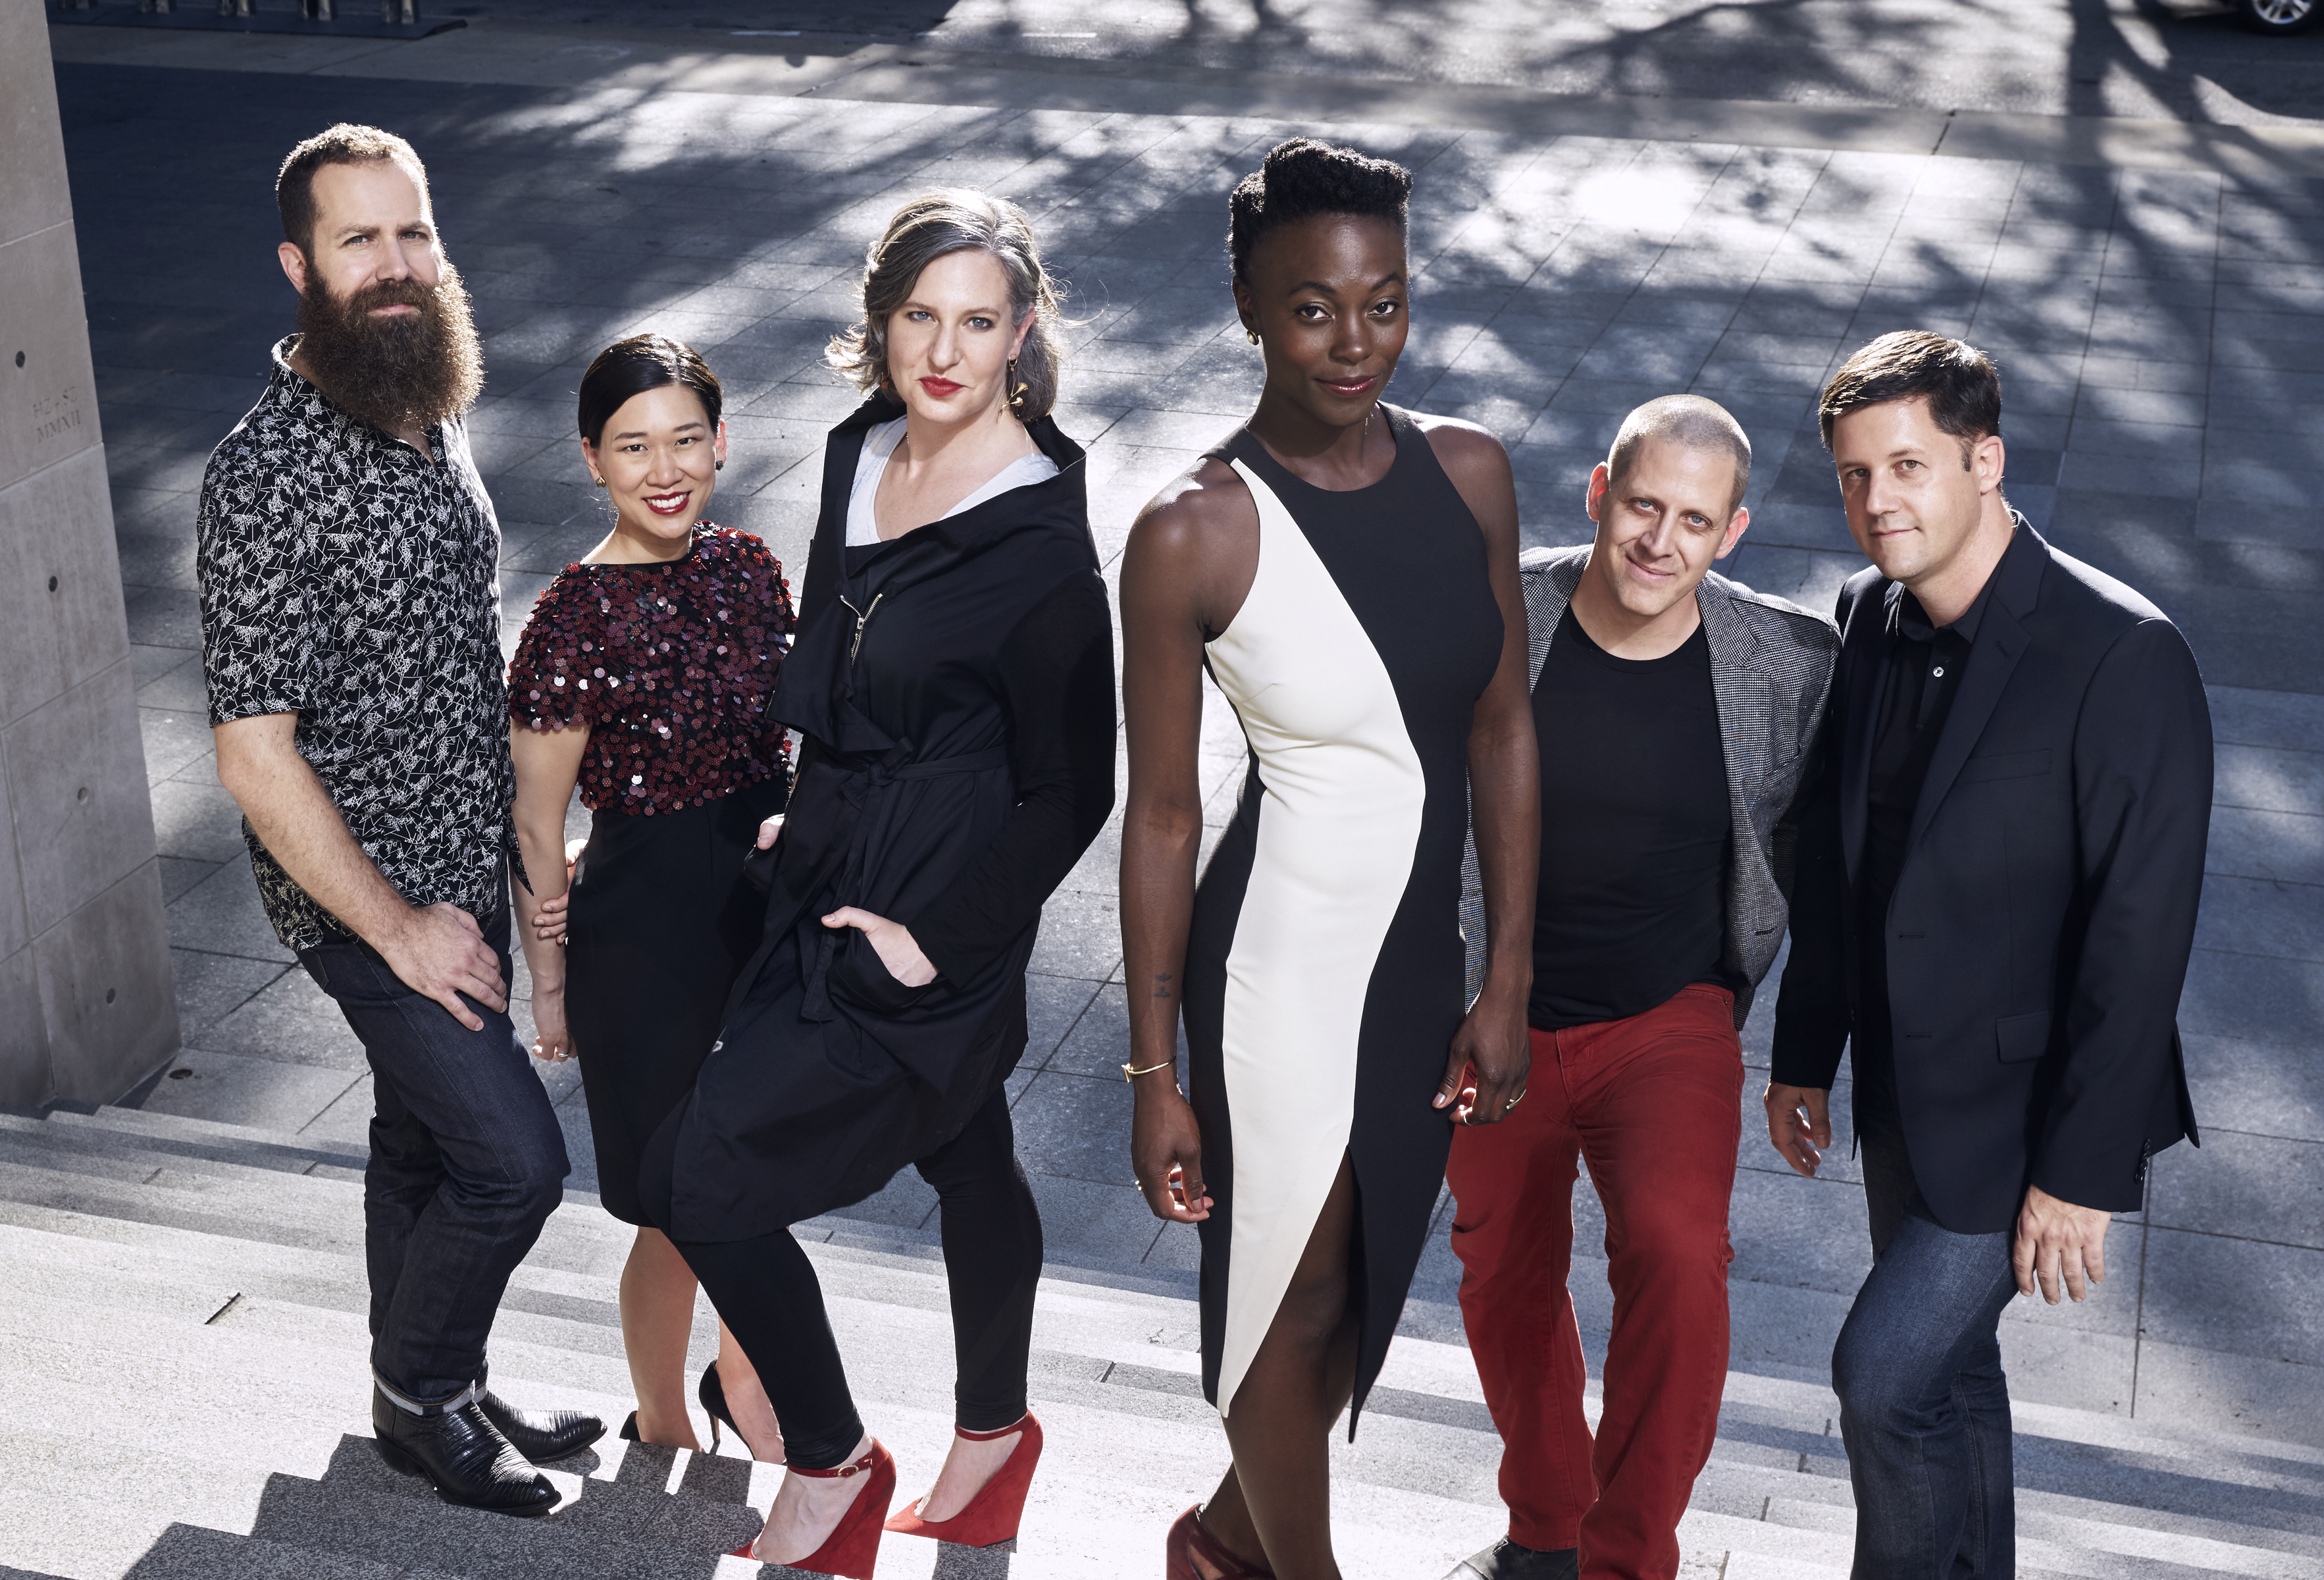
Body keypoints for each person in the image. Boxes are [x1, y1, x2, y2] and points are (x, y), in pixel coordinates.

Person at [636, 189, 1114, 1579]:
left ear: (1020, 335)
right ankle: (994, 1445)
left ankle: (833, 1462)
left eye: (977, 321)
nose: (944, 350)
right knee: (965, 1149)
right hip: (829, 867)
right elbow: (845, 654)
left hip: (927, 913)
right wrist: (796, 808)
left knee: (702, 1173)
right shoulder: (862, 453)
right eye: (919, 316)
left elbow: (1071, 790)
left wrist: (937, 942)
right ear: (881, 322)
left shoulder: (1040, 547)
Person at [1119, 138, 1539, 1580]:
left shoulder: (1470, 473)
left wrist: (1505, 980)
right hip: (1278, 965)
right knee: (1284, 1296)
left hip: (1424, 966)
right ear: (1247, 301)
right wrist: (1151, 1073)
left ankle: (1220, 1547)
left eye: (1383, 302)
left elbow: (1500, 733)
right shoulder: (1191, 530)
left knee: (1362, 1289)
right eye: (1311, 307)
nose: (1352, 341)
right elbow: (1163, 818)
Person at [198, 123, 602, 1516]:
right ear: (297, 265)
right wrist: (401, 929)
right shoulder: (262, 477)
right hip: (363, 894)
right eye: (358, 240)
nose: (394, 266)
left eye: (412, 234)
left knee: (420, 1141)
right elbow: (254, 757)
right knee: (514, 1165)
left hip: (460, 853)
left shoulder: (421, 402)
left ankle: (431, 1386)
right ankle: (427, 1391)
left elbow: (446, 642)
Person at [1765, 331, 2210, 1578]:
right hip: (1908, 1093)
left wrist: (2080, 1172)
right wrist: (1806, 1056)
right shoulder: (1866, 616)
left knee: (1886, 1377)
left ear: (1986, 459)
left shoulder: (2121, 655)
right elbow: (1841, 875)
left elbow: (2141, 936)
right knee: (1952, 1381)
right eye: (1854, 475)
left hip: (2028, 1114)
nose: (1877, 502)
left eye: (1908, 465)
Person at [1439, 396, 1840, 1580]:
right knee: (1502, 1273)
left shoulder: (1785, 665)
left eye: (1696, 520)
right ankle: (1546, 1524)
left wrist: (1809, 1050)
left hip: (1667, 1017)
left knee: (1675, 1251)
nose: (1662, 540)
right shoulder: (1497, 611)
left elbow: (1830, 857)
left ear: (1735, 530)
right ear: (1600, 490)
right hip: (1489, 1014)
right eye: (1645, 506)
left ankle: (1627, 1557)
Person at [505, 334, 793, 1461]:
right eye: (634, 447)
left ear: (721, 443)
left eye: (685, 440)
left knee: (758, 1174)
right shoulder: (573, 616)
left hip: (766, 920)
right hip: (644, 943)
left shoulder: (753, 566)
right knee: (675, 1203)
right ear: (592, 459)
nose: (664, 469)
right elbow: (537, 825)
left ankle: (740, 1378)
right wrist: (551, 990)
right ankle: (667, 1421)